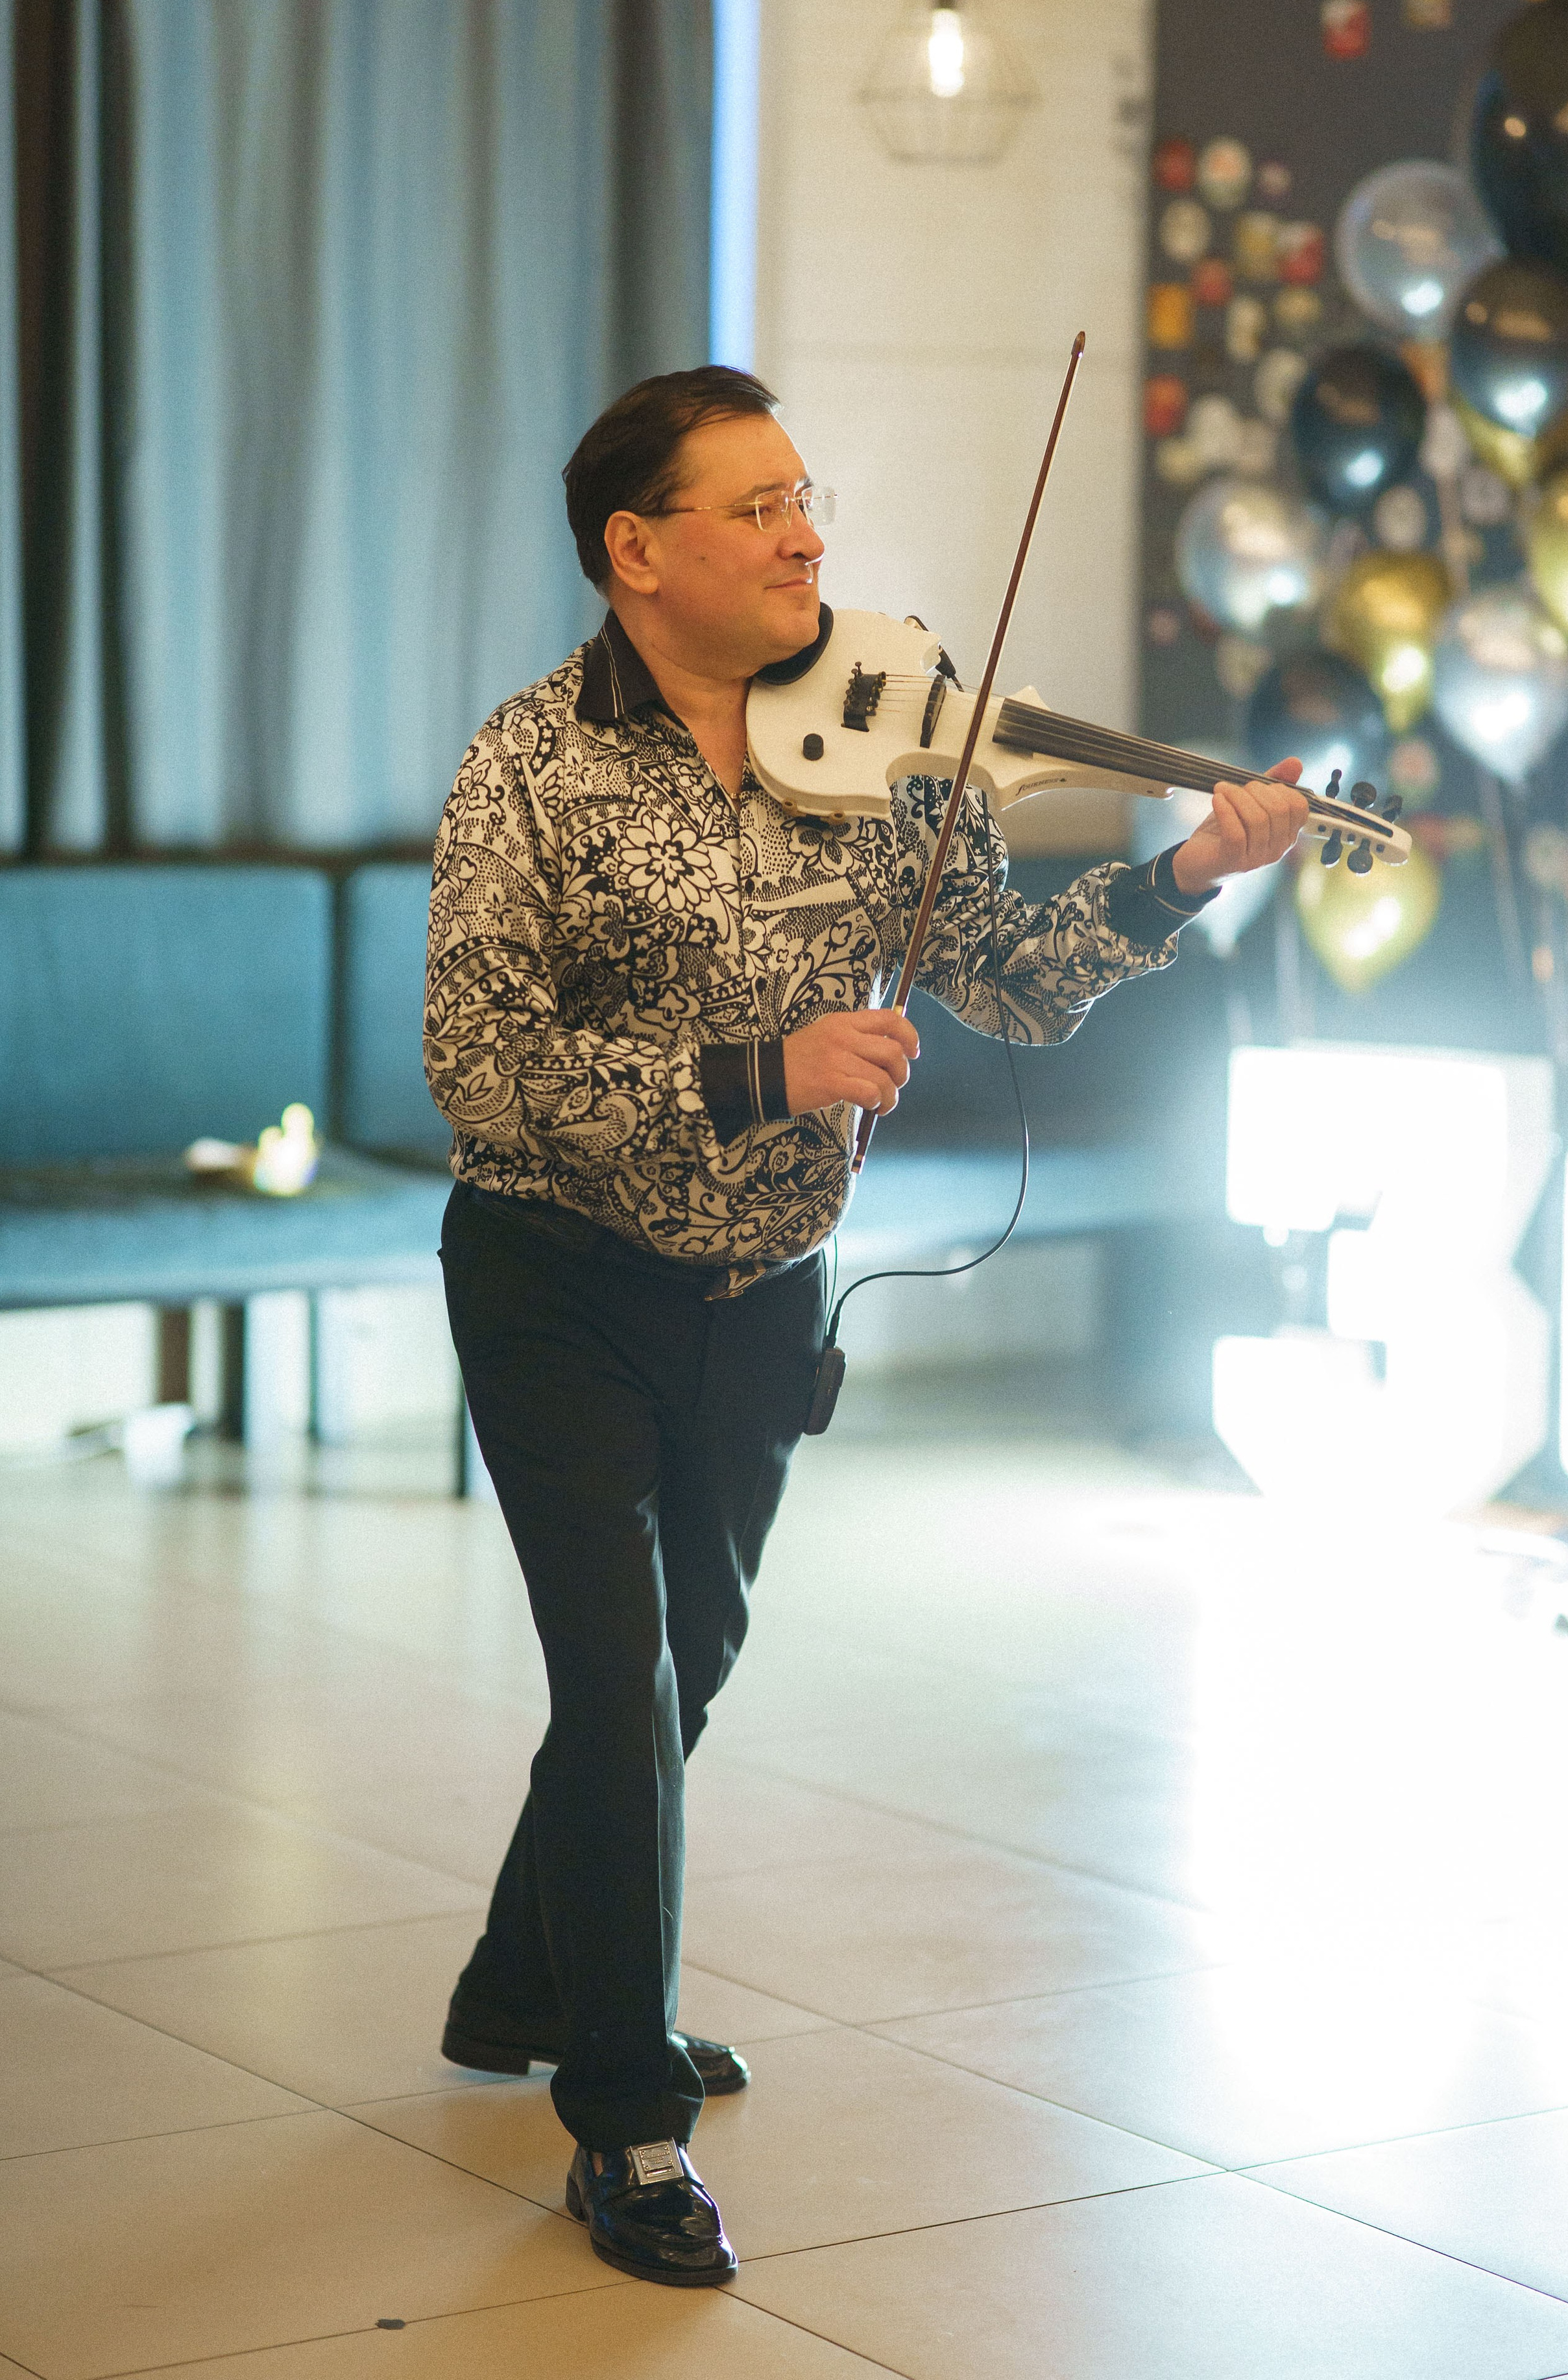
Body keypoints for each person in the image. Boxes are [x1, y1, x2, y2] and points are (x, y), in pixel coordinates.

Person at [426, 365, 1307, 2288]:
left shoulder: (892, 744)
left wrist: (1182, 878)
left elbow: (1002, 980)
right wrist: (767, 1064)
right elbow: (479, 1071)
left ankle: (527, 1981)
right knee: (618, 1677)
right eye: (755, 508)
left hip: (765, 1292)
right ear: (634, 552)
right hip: (558, 1278)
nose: (808, 534)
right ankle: (626, 2117)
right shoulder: (528, 766)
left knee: (689, 1666)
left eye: (806, 496)